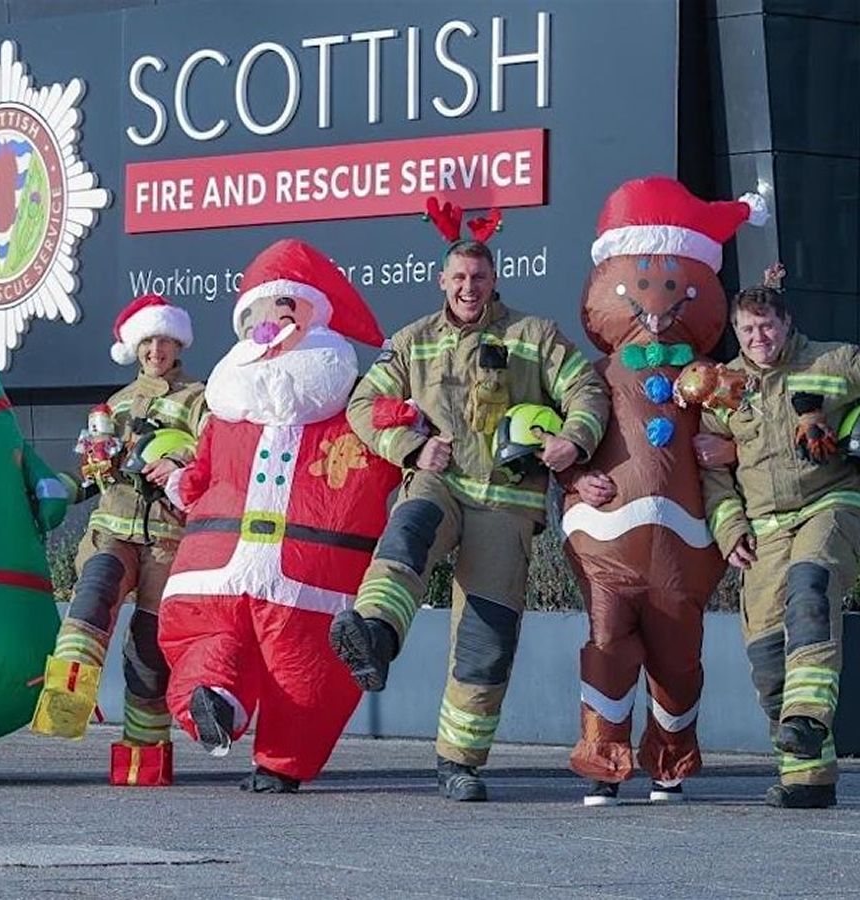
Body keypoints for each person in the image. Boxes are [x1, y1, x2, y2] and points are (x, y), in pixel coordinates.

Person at [330, 204, 609, 802]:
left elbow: (586, 387)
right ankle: (374, 638)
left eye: (478, 278)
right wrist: (408, 448)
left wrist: (574, 439)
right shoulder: (412, 343)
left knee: (488, 638)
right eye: (458, 278)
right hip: (441, 482)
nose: (467, 288)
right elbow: (363, 405)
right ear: (442, 281)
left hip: (506, 505)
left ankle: (460, 762)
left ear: (494, 280)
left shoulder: (532, 337)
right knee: (407, 534)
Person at [158, 238, 401, 792]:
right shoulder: (227, 414)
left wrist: (404, 421)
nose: (268, 335)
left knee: (308, 672)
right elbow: (201, 471)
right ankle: (215, 703)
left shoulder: (352, 413)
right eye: (257, 321)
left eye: (284, 315)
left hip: (311, 577)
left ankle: (281, 763)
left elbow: (389, 444)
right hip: (216, 568)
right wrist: (181, 480)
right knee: (205, 645)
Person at [557, 177, 766, 806]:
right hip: (606, 540)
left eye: (675, 285)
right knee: (607, 648)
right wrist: (572, 476)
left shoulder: (718, 381)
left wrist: (731, 446)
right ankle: (602, 762)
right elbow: (567, 436)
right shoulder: (590, 376)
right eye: (639, 286)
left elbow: (759, 434)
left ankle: (671, 762)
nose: (656, 302)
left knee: (678, 662)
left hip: (687, 542)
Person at [698, 264, 860, 809]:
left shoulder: (835, 361)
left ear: (787, 323)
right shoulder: (724, 389)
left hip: (829, 505)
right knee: (768, 658)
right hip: (763, 529)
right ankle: (807, 780)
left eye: (766, 326)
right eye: (747, 330)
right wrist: (729, 527)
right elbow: (712, 472)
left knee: (810, 592)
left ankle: (809, 721)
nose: (757, 339)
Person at [34, 294, 206, 771]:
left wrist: (179, 460)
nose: (156, 350)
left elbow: (216, 449)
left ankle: (144, 756)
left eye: (165, 340)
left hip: (168, 542)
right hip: (112, 529)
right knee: (92, 596)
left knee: (148, 650)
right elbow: (93, 471)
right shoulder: (116, 404)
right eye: (147, 341)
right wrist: (60, 488)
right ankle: (66, 700)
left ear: (178, 344)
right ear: (136, 347)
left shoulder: (199, 397)